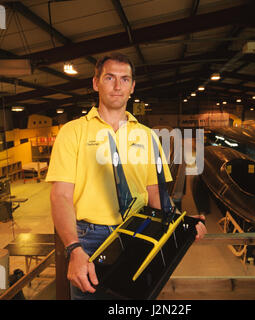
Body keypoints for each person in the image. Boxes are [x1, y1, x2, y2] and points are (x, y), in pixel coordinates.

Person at [46, 52, 207, 300]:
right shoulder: (72, 133)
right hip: (90, 239)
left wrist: (179, 222)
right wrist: (74, 249)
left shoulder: (148, 136)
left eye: (125, 79)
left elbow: (155, 193)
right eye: (110, 77)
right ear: (95, 82)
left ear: (132, 87)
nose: (117, 86)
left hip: (138, 230)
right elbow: (61, 196)